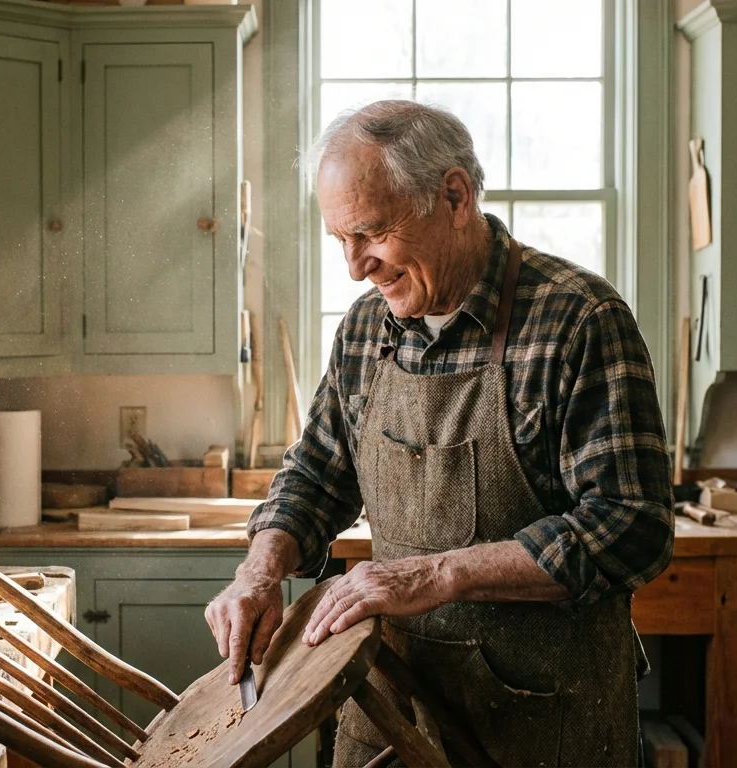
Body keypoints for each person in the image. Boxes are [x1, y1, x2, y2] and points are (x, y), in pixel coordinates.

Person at [204, 100, 675, 767]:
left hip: (541, 722)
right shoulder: (367, 330)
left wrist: (437, 574)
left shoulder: (577, 320)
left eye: (370, 233)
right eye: (339, 239)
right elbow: (315, 475)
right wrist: (260, 570)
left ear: (454, 195)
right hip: (394, 711)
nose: (354, 266)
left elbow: (632, 528)